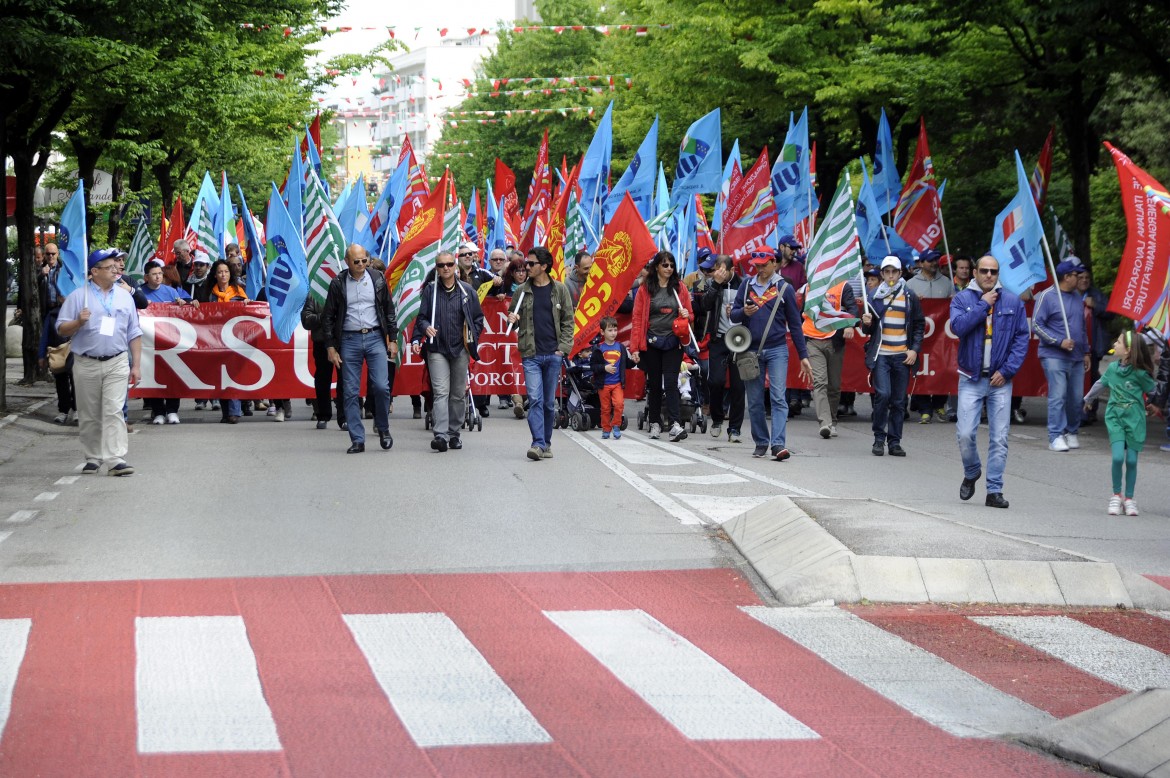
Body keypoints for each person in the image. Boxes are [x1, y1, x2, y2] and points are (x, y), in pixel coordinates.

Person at [951, 255, 1030, 509]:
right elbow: (958, 327)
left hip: (1000, 381)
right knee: (964, 434)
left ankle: (994, 490)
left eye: (993, 272)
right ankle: (972, 470)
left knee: (999, 438)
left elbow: (1021, 339)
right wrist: (983, 305)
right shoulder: (963, 299)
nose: (988, 275)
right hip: (971, 377)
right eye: (983, 270)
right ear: (974, 272)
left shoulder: (1012, 301)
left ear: (998, 274)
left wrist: (1007, 371)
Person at [55, 249, 143, 476]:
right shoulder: (78, 296)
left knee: (114, 410)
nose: (116, 269)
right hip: (86, 362)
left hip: (117, 360)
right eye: (110, 266)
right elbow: (61, 329)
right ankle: (93, 456)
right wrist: (78, 322)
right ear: (94, 271)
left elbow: (134, 332)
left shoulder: (124, 296)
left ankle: (115, 458)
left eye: (116, 265)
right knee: (89, 412)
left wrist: (137, 365)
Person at [731, 248, 811, 459]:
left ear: (774, 263)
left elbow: (795, 324)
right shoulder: (747, 284)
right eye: (757, 265)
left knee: (778, 397)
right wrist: (743, 312)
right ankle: (761, 441)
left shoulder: (785, 288)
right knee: (756, 401)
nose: (760, 269)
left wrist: (803, 356)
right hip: (750, 350)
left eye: (764, 265)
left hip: (777, 349)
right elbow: (733, 314)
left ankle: (778, 444)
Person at [323, 244, 399, 453]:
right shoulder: (338, 283)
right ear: (347, 262)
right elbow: (328, 317)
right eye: (356, 262)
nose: (361, 265)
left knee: (382, 387)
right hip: (349, 339)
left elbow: (389, 310)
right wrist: (331, 346)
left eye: (364, 260)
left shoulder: (377, 278)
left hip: (375, 337)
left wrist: (392, 338)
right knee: (350, 392)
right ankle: (357, 439)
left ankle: (383, 428)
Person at [412, 250, 484, 452]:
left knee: (458, 394)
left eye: (449, 264)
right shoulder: (431, 291)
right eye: (441, 265)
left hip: (460, 348)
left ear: (455, 266)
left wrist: (471, 336)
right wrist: (425, 328)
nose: (445, 268)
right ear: (436, 268)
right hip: (437, 348)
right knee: (441, 392)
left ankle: (454, 434)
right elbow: (422, 318)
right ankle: (441, 435)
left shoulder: (467, 291)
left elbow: (479, 320)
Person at [506, 246, 574, 460]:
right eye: (526, 263)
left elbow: (568, 323)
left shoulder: (560, 290)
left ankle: (546, 443)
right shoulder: (521, 291)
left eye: (531, 264)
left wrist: (561, 350)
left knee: (547, 402)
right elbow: (514, 321)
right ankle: (537, 443)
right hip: (531, 355)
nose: (526, 267)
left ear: (544, 267)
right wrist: (512, 320)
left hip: (553, 355)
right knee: (534, 399)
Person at [1083, 330, 1158, 516]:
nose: (1114, 345)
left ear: (1128, 350)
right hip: (1115, 417)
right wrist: (1088, 399)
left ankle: (1129, 499)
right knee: (1118, 457)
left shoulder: (1140, 374)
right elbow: (1100, 384)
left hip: (1135, 420)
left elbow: (1155, 391)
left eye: (1118, 342)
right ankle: (1116, 495)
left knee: (1131, 460)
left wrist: (1154, 405)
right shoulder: (1112, 369)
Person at [861, 256, 925, 457]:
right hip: (882, 354)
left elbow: (919, 324)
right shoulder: (874, 296)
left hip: (901, 355)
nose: (890, 275)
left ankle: (895, 441)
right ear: (881, 274)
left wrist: (914, 349)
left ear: (900, 274)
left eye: (894, 272)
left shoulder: (909, 295)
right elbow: (868, 330)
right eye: (886, 272)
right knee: (883, 395)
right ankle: (879, 438)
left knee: (898, 401)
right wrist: (866, 322)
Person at [630, 250, 695, 442]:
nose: (669, 268)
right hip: (651, 343)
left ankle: (675, 424)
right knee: (655, 384)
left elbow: (691, 316)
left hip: (673, 342)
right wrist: (634, 348)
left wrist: (686, 315)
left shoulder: (680, 288)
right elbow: (637, 319)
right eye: (665, 265)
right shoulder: (645, 289)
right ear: (656, 266)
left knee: (672, 383)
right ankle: (655, 423)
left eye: (672, 265)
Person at [1034, 259, 1090, 452]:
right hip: (1053, 355)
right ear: (1067, 277)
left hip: (1076, 356)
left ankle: (1071, 431)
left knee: (1076, 397)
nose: (1081, 278)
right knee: (1058, 396)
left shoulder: (1076, 297)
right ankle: (1055, 436)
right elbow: (1037, 325)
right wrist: (1059, 341)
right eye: (1076, 275)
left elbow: (1081, 327)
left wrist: (1086, 351)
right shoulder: (1047, 296)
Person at [800, 270, 858, 439]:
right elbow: (800, 313)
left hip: (835, 341)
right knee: (820, 382)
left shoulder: (843, 286)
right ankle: (824, 423)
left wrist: (850, 325)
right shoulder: (808, 287)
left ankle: (832, 420)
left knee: (833, 385)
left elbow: (853, 307)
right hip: (812, 340)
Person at [140, 260, 198, 424]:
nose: (158, 277)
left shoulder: (171, 292)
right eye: (154, 274)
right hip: (149, 342)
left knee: (173, 376)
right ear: (146, 277)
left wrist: (184, 303)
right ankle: (158, 411)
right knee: (153, 377)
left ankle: (173, 410)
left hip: (171, 341)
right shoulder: (140, 293)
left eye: (160, 274)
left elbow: (187, 307)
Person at [905, 248, 954, 424]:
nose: (934, 263)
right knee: (920, 371)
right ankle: (925, 408)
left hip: (941, 338)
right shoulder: (910, 284)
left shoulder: (947, 282)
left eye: (936, 260)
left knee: (943, 369)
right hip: (921, 337)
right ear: (921, 263)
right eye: (930, 260)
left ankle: (939, 404)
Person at [701, 254, 745, 442]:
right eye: (716, 270)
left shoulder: (744, 285)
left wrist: (737, 311)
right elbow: (705, 305)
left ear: (731, 270)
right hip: (719, 339)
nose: (718, 273)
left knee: (738, 386)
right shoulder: (713, 284)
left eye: (722, 271)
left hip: (739, 341)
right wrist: (716, 284)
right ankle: (717, 419)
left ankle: (734, 428)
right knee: (715, 382)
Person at [300, 294, 345, 430]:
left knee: (345, 379)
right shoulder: (313, 294)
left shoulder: (342, 290)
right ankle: (323, 415)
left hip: (343, 341)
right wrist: (323, 316)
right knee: (322, 378)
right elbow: (306, 320)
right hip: (321, 341)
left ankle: (344, 417)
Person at [1077, 264, 1113, 425]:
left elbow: (1111, 312)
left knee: (1092, 378)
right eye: (1081, 278)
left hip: (1094, 344)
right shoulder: (1069, 294)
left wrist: (1095, 306)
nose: (1084, 281)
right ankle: (1078, 410)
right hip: (1075, 345)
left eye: (1087, 278)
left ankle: (1090, 410)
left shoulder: (1096, 295)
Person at [591, 316, 630, 439]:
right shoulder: (599, 348)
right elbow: (593, 366)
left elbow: (626, 363)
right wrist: (604, 368)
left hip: (617, 383)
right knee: (605, 408)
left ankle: (616, 426)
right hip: (604, 384)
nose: (613, 333)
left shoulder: (621, 347)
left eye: (615, 330)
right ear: (602, 332)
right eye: (610, 330)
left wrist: (635, 361)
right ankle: (606, 428)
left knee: (619, 405)